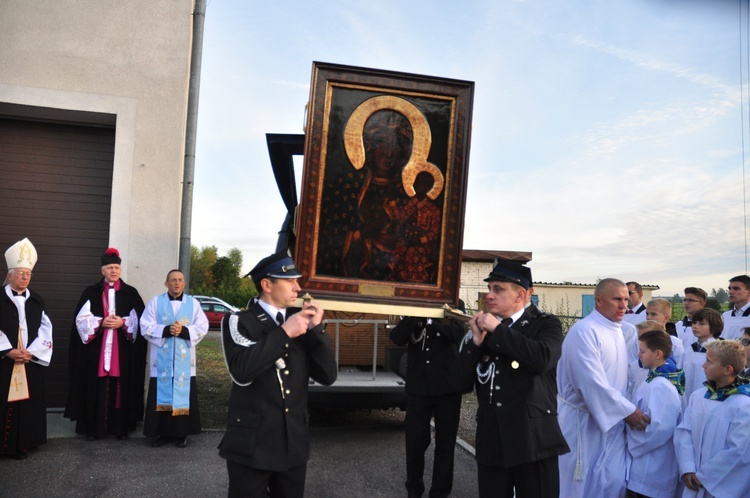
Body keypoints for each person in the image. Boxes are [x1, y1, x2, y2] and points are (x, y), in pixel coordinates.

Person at [218, 250, 337, 497]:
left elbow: (328, 376)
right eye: (290, 281)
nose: (298, 287)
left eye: (297, 280)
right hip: (252, 443)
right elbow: (241, 372)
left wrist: (316, 331)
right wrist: (284, 333)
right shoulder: (239, 321)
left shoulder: (301, 322)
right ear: (266, 285)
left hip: (292, 442)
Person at [458, 260, 569, 498]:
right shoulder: (486, 331)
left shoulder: (545, 324)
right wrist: (476, 344)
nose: (490, 296)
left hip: (532, 438)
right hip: (493, 438)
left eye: (498, 289)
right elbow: (460, 383)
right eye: (490, 289)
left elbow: (541, 359)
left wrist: (499, 331)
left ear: (520, 294)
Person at [557, 278, 650, 498]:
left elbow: (627, 374)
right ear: (598, 301)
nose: (623, 305)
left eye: (626, 299)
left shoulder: (623, 330)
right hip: (583, 422)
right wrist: (627, 411)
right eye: (617, 299)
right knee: (578, 483)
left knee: (610, 480)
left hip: (612, 420)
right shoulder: (584, 331)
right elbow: (589, 382)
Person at [64, 247, 146, 440]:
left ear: (120, 270)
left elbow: (140, 319)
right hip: (96, 350)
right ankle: (92, 429)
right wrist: (100, 322)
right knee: (95, 385)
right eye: (110, 268)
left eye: (116, 267)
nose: (113, 271)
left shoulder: (130, 293)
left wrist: (123, 322)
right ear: (102, 271)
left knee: (121, 385)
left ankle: (120, 427)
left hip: (122, 350)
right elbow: (81, 320)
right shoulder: (91, 292)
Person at [389, 300, 468, 498]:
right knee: (415, 442)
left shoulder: (455, 304)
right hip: (419, 388)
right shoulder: (414, 306)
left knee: (445, 444)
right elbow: (397, 337)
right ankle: (414, 490)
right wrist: (417, 313)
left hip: (447, 388)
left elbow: (458, 334)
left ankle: (440, 493)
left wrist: (439, 315)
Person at [140, 269, 209, 448]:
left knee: (182, 393)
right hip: (162, 361)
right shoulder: (156, 302)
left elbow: (202, 326)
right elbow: (145, 325)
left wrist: (184, 331)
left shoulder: (193, 304)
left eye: (180, 280)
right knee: (161, 394)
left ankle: (180, 434)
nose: (177, 283)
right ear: (166, 284)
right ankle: (162, 433)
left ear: (184, 283)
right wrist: (165, 330)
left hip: (183, 362)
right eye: (173, 280)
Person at [673, 340, 750, 497]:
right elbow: (684, 431)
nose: (703, 365)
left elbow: (739, 450)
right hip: (692, 478)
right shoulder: (698, 396)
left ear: (728, 369)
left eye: (709, 361)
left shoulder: (743, 405)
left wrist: (704, 476)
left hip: (721, 485)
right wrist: (688, 467)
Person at [0, 238, 53, 460]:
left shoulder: (37, 300)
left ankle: (23, 444)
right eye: (20, 273)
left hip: (29, 361)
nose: (25, 277)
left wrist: (32, 351)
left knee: (27, 403)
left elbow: (45, 328)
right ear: (10, 275)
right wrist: (6, 350)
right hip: (4, 361)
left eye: (28, 274)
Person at [625, 330, 683, 498]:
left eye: (642, 351)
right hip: (643, 469)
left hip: (651, 472)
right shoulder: (653, 380)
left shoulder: (662, 387)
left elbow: (658, 430)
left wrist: (629, 441)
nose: (638, 355)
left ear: (658, 354)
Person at [681, 308, 724, 408]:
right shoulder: (688, 350)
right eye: (694, 322)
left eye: (701, 323)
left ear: (714, 327)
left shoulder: (720, 351)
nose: (695, 326)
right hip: (687, 398)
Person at [644, 299, 684, 368]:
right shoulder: (641, 340)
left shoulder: (674, 343)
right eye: (647, 314)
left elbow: (679, 367)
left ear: (666, 318)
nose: (648, 317)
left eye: (653, 314)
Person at [721, 275, 750, 340]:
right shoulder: (725, 316)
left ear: (749, 292)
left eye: (736, 288)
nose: (730, 292)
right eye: (729, 288)